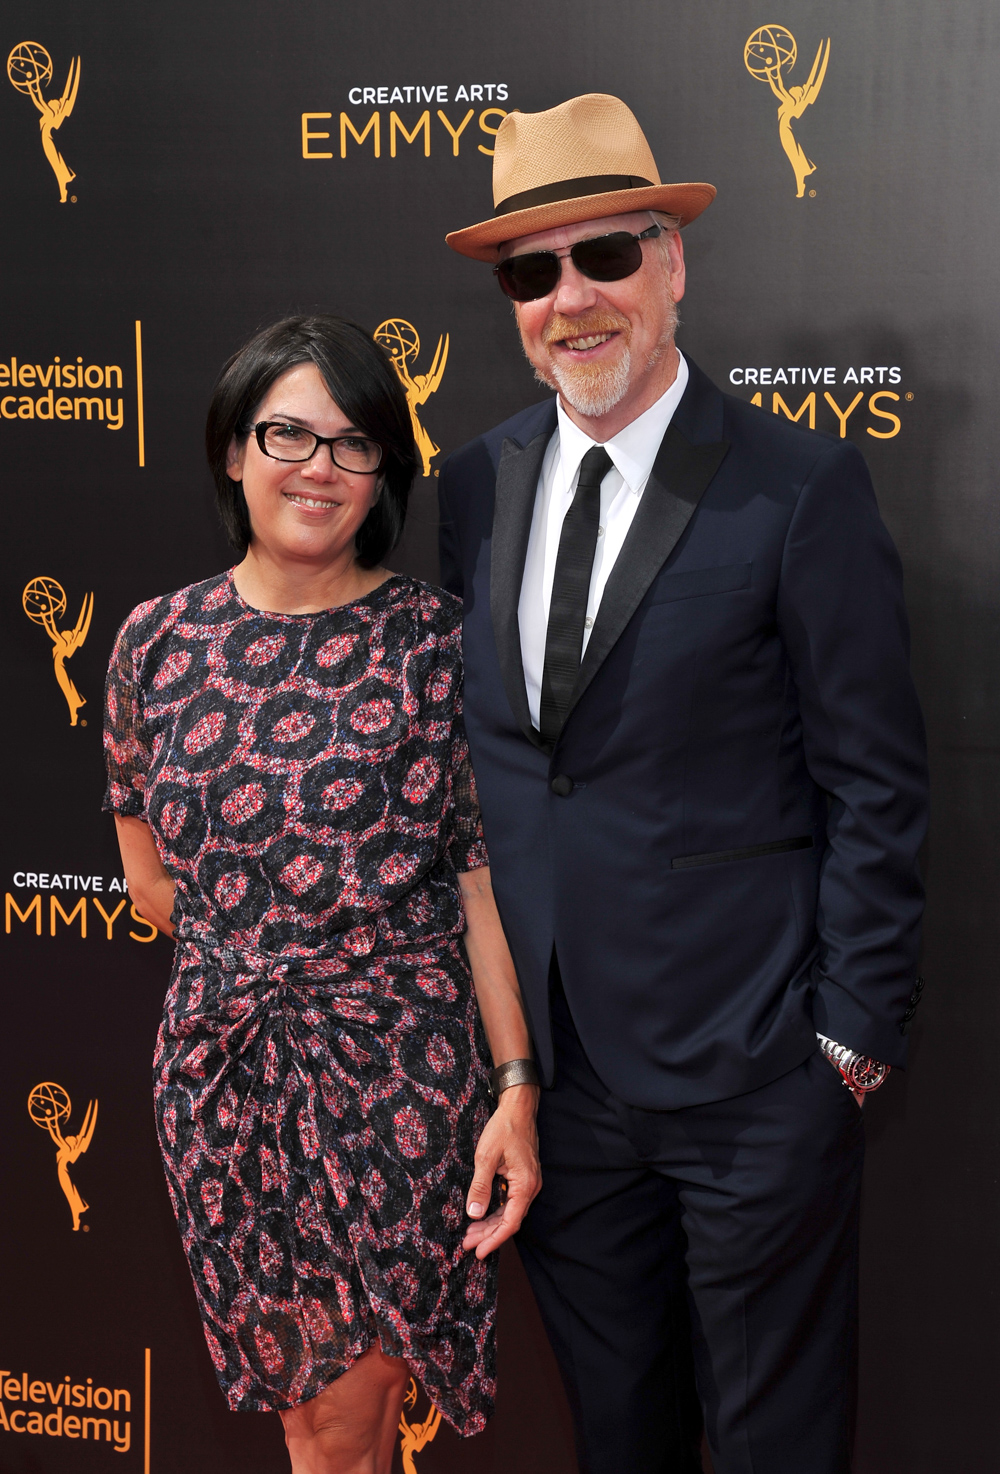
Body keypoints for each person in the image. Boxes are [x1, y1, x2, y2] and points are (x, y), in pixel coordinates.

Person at [440, 95, 928, 1474]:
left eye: (605, 256)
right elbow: (514, 779)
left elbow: (877, 780)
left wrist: (847, 1043)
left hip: (758, 1075)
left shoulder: (795, 483)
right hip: (562, 1092)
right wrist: (516, 1060)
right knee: (618, 1438)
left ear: (672, 264)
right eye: (532, 273)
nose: (570, 299)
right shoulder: (475, 483)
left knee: (777, 1443)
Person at [102, 315, 541, 1474]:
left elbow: (478, 883)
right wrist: (252, 957)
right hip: (220, 1074)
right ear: (235, 450)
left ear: (385, 471)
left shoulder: (434, 645)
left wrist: (512, 1085)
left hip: (395, 1073)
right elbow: (146, 873)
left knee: (349, 1414)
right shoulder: (155, 643)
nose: (318, 466)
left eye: (353, 444)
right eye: (287, 432)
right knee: (304, 1417)